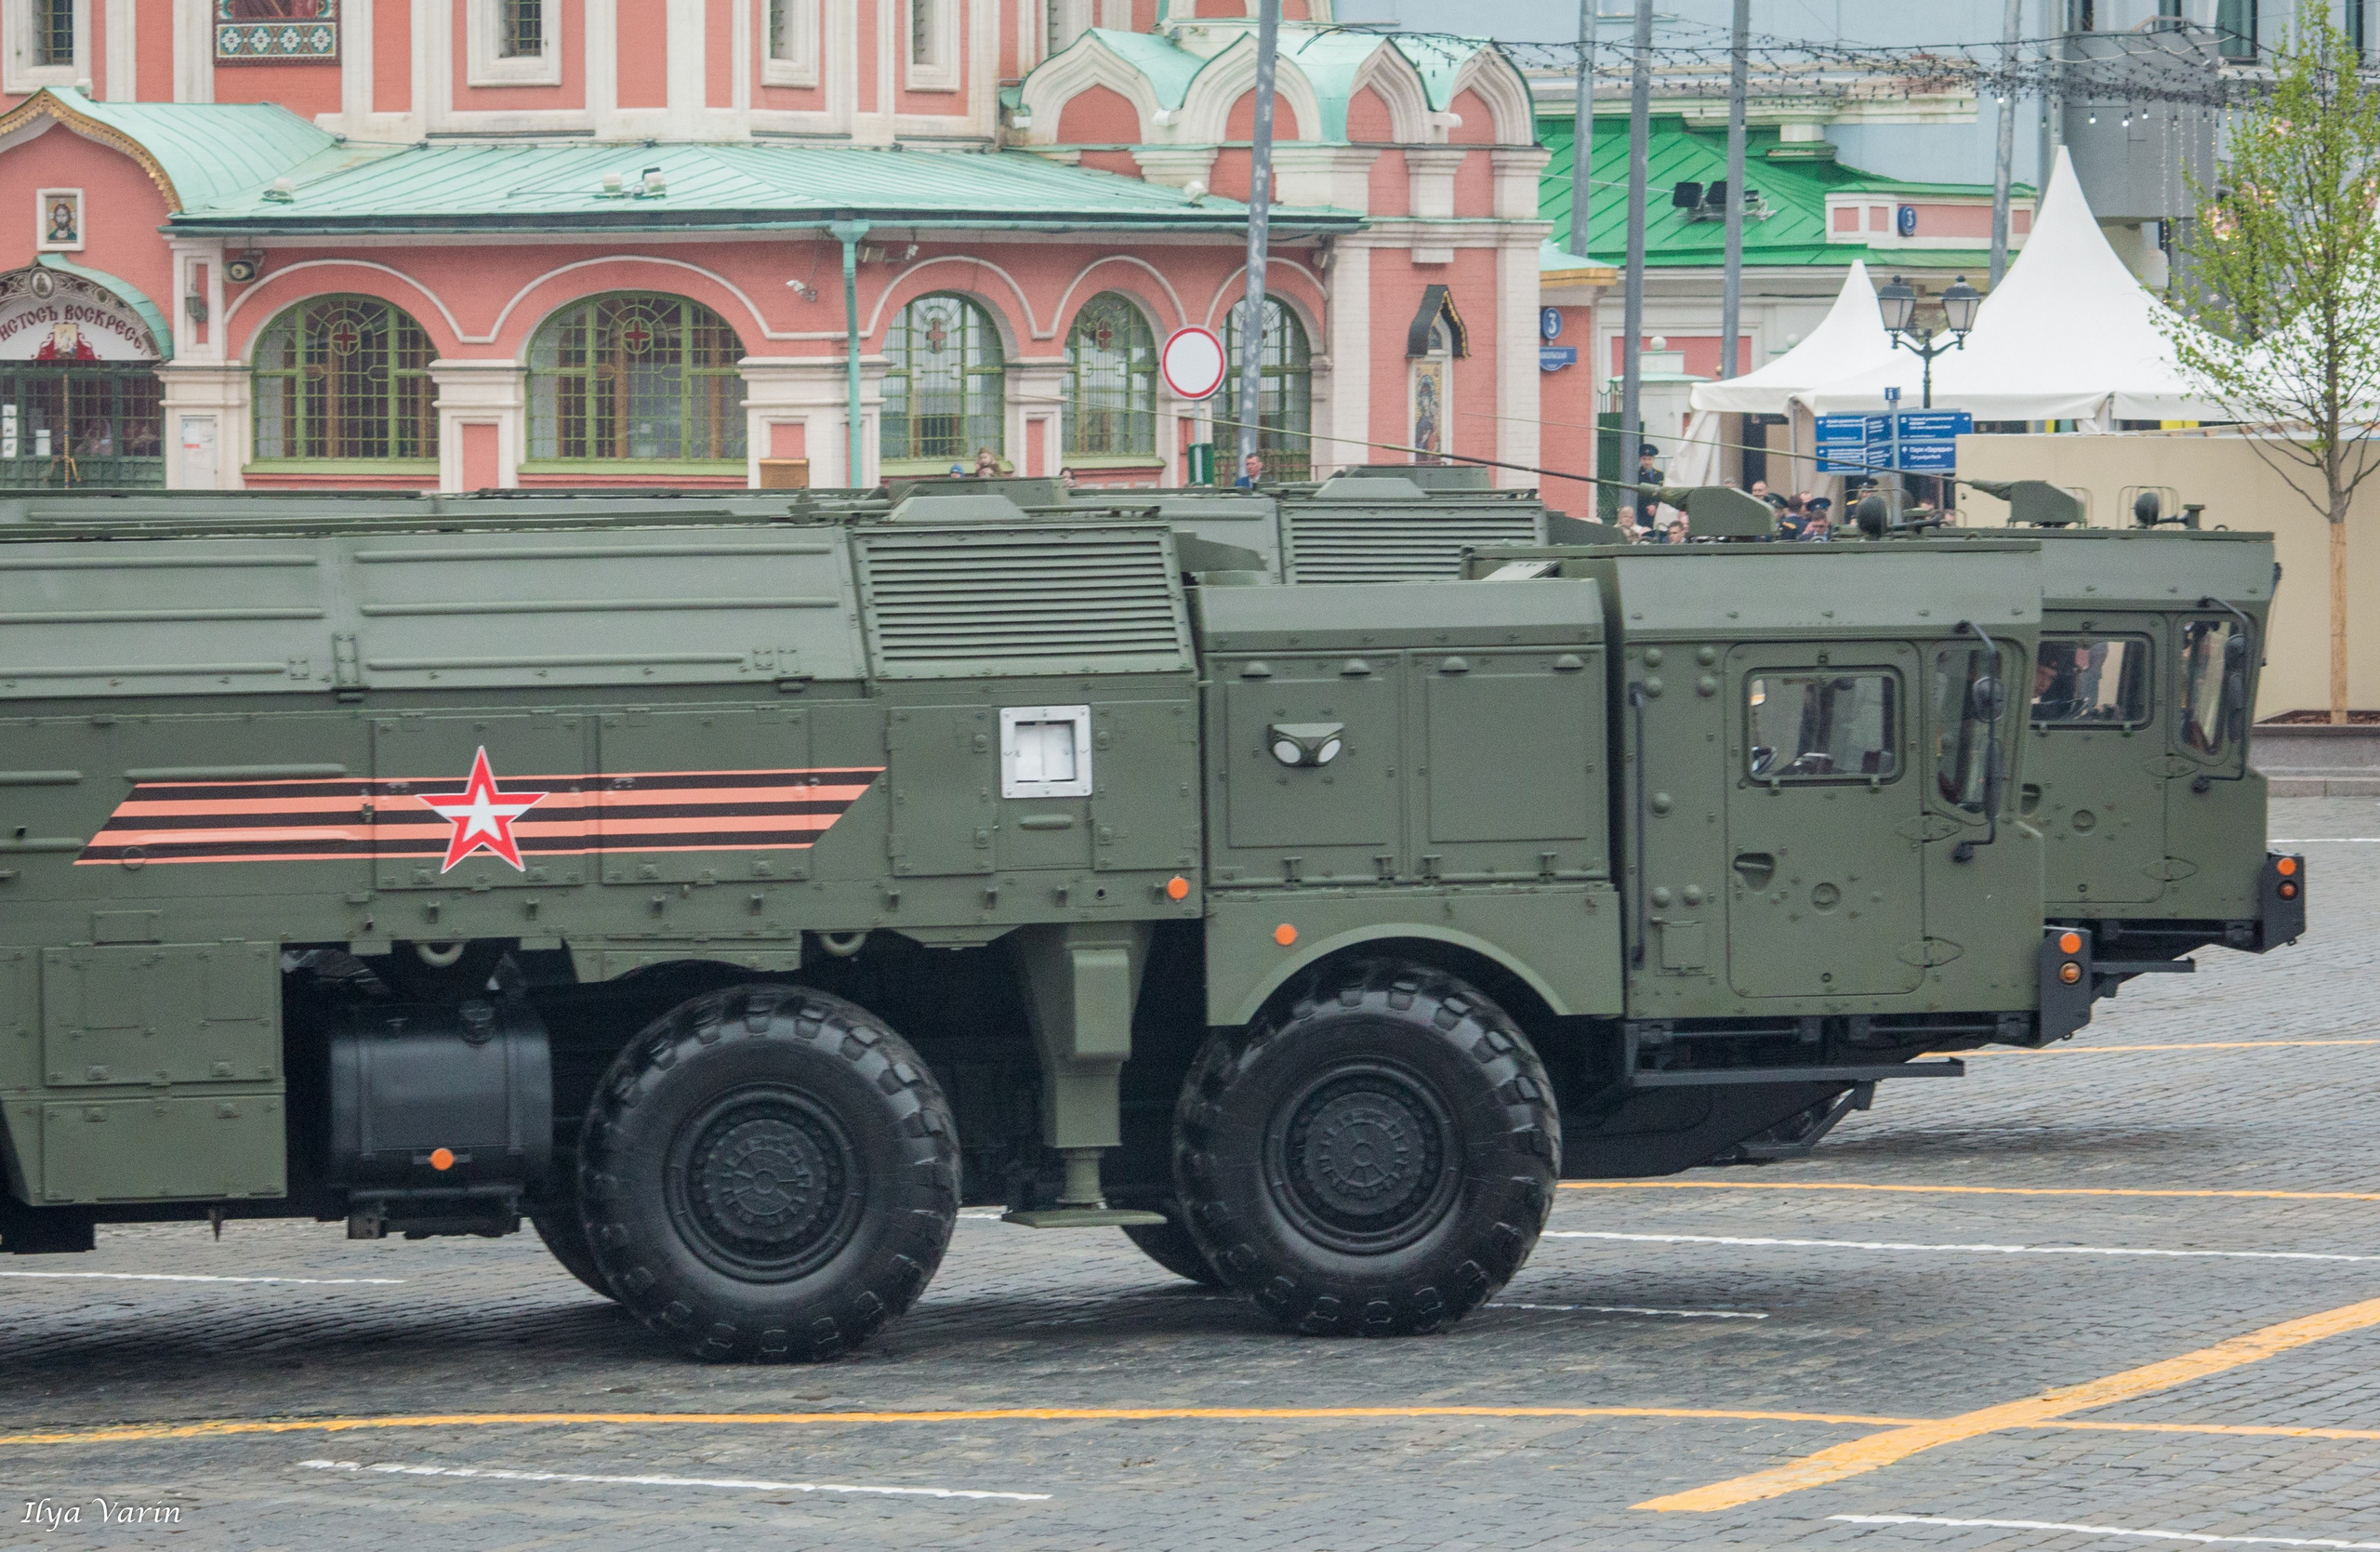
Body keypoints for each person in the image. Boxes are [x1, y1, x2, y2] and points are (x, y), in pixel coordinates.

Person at [1633, 443, 1663, 529]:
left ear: (1653, 459)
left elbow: (1662, 492)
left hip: (1657, 513)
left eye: (1649, 459)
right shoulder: (1636, 475)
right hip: (1642, 513)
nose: (1647, 462)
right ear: (1640, 459)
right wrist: (1647, 507)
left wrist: (1655, 505)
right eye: (1644, 459)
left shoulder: (1659, 475)